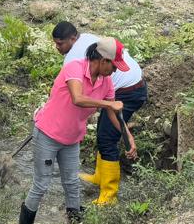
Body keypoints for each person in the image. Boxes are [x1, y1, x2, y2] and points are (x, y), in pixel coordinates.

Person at [17, 38, 128, 224]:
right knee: (41, 184)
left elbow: (113, 112)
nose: (114, 71)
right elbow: (78, 98)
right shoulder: (75, 68)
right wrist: (107, 104)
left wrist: (127, 135)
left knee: (71, 182)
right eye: (113, 66)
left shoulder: (105, 82)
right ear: (103, 61)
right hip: (48, 134)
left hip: (71, 139)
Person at [52, 22, 143, 205]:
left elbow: (78, 98)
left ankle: (109, 196)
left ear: (72, 39)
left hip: (128, 90)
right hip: (130, 84)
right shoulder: (86, 40)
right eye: (56, 43)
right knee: (103, 133)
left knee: (107, 138)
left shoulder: (84, 62)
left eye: (60, 43)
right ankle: (100, 177)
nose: (57, 48)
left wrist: (127, 135)